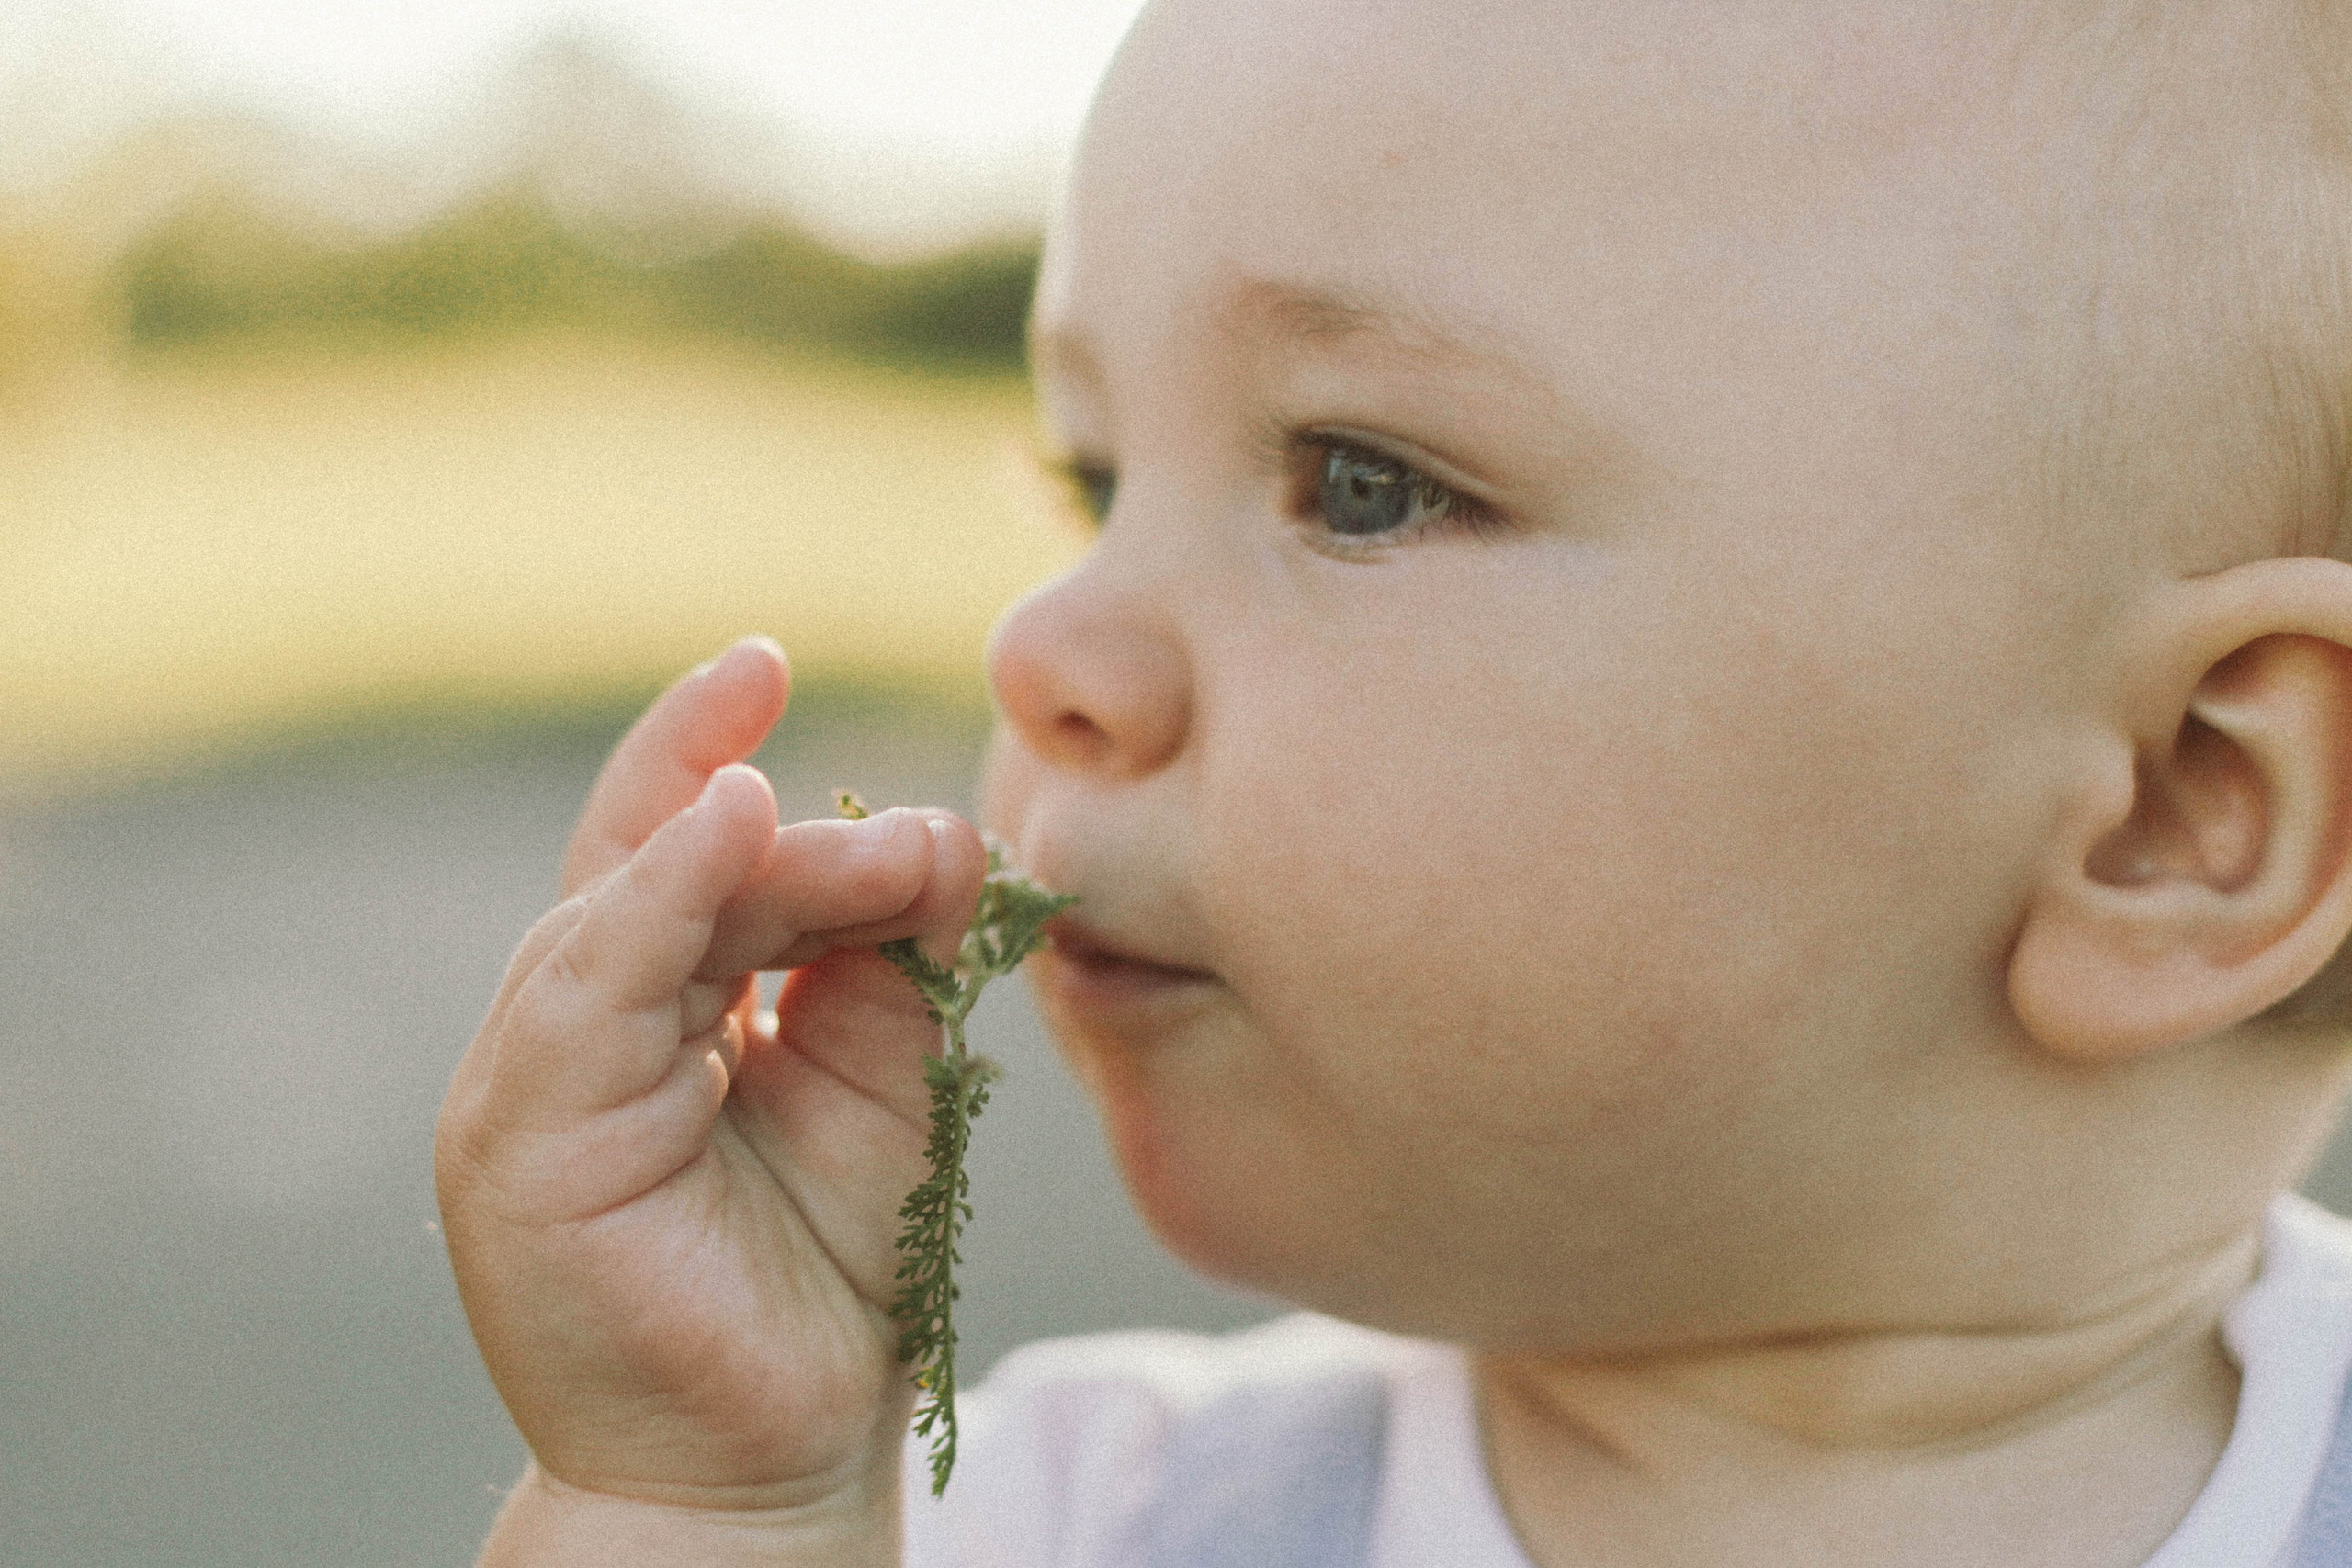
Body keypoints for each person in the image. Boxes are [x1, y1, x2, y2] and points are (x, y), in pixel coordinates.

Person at [431, 1, 2352, 1562]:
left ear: (2173, 809)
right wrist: (691, 1499)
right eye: (1094, 485)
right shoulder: (1028, 1527)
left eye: (1363, 480)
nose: (1048, 647)